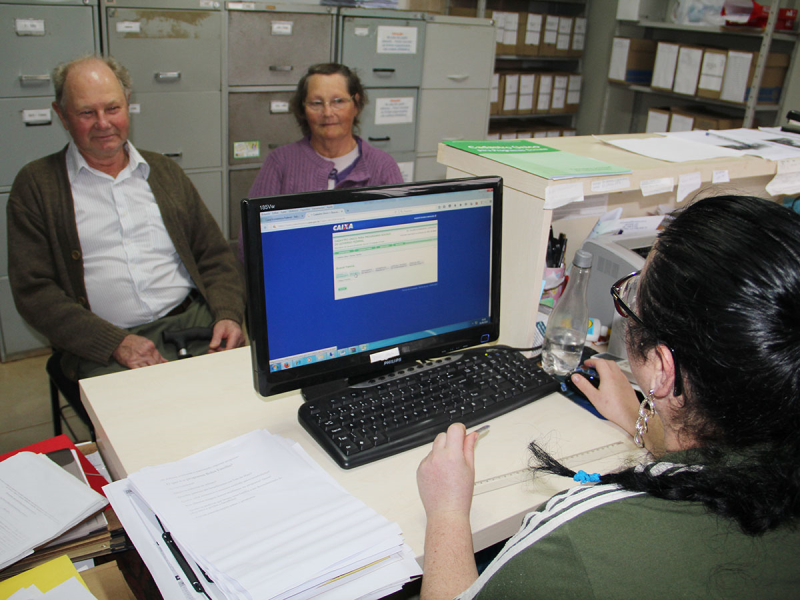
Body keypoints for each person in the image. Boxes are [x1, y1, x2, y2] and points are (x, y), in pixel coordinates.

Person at [416, 195, 800, 599]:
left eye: (634, 295)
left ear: (663, 369)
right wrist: (641, 416)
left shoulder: (581, 540)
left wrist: (446, 511)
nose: (628, 303)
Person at [7, 55, 246, 380]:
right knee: (149, 425)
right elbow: (34, 292)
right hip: (104, 344)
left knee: (242, 408)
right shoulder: (36, 185)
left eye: (112, 108)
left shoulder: (164, 171)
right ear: (61, 114)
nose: (103, 123)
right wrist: (113, 342)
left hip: (196, 324)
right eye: (86, 113)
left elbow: (215, 256)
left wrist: (228, 314)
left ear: (128, 104)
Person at [238, 63, 403, 261]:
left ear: (356, 104)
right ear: (303, 109)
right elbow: (249, 243)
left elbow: (398, 242)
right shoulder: (279, 162)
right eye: (316, 103)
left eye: (338, 101)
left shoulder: (383, 166)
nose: (327, 113)